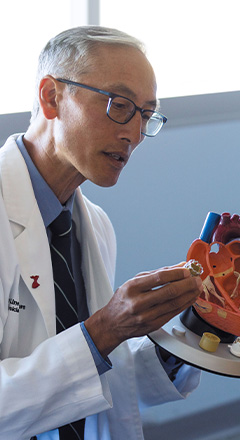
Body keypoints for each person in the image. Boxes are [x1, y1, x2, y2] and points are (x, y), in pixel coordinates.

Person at [0, 26, 204, 439]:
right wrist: (105, 329)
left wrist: (193, 328)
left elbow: (98, 376)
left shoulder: (94, 225)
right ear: (51, 97)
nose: (133, 134)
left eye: (146, 115)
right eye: (119, 104)